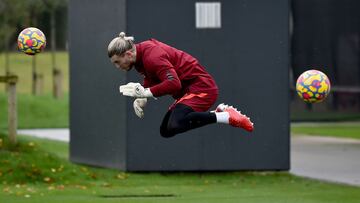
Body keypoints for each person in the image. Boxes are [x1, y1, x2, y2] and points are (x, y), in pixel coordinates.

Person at [107, 32, 254, 138]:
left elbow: (173, 83)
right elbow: (151, 79)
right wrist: (142, 98)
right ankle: (220, 113)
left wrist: (145, 93)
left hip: (201, 87)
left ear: (128, 54)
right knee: (166, 130)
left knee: (176, 124)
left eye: (117, 62)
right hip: (189, 89)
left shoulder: (152, 56)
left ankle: (226, 116)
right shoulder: (140, 57)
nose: (117, 67)